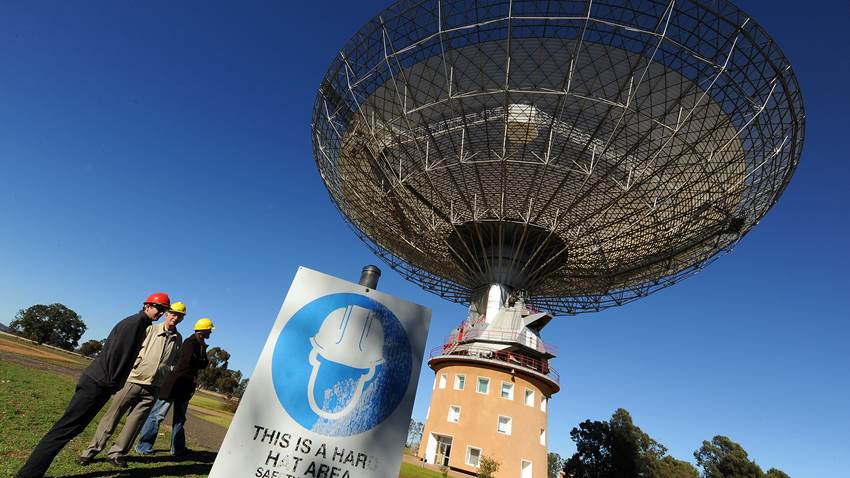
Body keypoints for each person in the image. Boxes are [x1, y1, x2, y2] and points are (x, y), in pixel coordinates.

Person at [15, 292, 170, 478]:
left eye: (163, 310)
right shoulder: (135, 323)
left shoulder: (140, 324)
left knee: (70, 429)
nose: (160, 313)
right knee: (63, 430)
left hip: (99, 383)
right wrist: (112, 384)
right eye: (158, 308)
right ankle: (27, 475)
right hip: (97, 384)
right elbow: (117, 357)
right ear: (147, 306)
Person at [77, 301, 186, 468]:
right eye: (173, 313)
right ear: (166, 314)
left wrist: (166, 371)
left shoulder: (178, 338)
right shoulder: (150, 329)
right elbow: (133, 348)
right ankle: (91, 451)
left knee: (134, 423)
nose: (175, 317)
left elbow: (176, 361)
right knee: (112, 417)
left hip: (154, 387)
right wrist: (136, 365)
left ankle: (116, 454)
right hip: (133, 380)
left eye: (179, 315)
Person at [135, 317, 213, 456]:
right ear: (203, 330)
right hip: (173, 385)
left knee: (180, 419)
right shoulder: (190, 343)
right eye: (209, 330)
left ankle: (177, 448)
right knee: (157, 415)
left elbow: (203, 364)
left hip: (185, 387)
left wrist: (199, 360)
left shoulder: (201, 344)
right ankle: (144, 446)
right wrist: (199, 362)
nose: (211, 333)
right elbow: (185, 365)